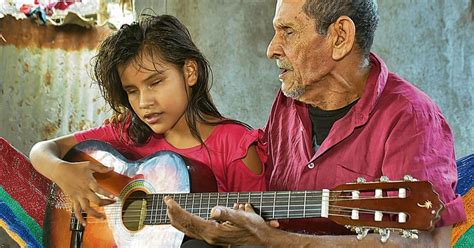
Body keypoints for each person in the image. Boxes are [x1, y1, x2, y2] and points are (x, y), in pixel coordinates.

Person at [164, 0, 467, 247]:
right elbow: (266, 203)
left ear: (340, 37)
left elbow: (428, 243)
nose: (271, 49)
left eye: (288, 32)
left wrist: (272, 240)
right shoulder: (286, 104)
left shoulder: (411, 116)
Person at [29, 14, 266, 235]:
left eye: (155, 82)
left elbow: (258, 232)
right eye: (132, 91)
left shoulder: (236, 147)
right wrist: (61, 171)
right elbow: (42, 150)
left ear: (190, 72)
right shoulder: (129, 134)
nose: (144, 103)